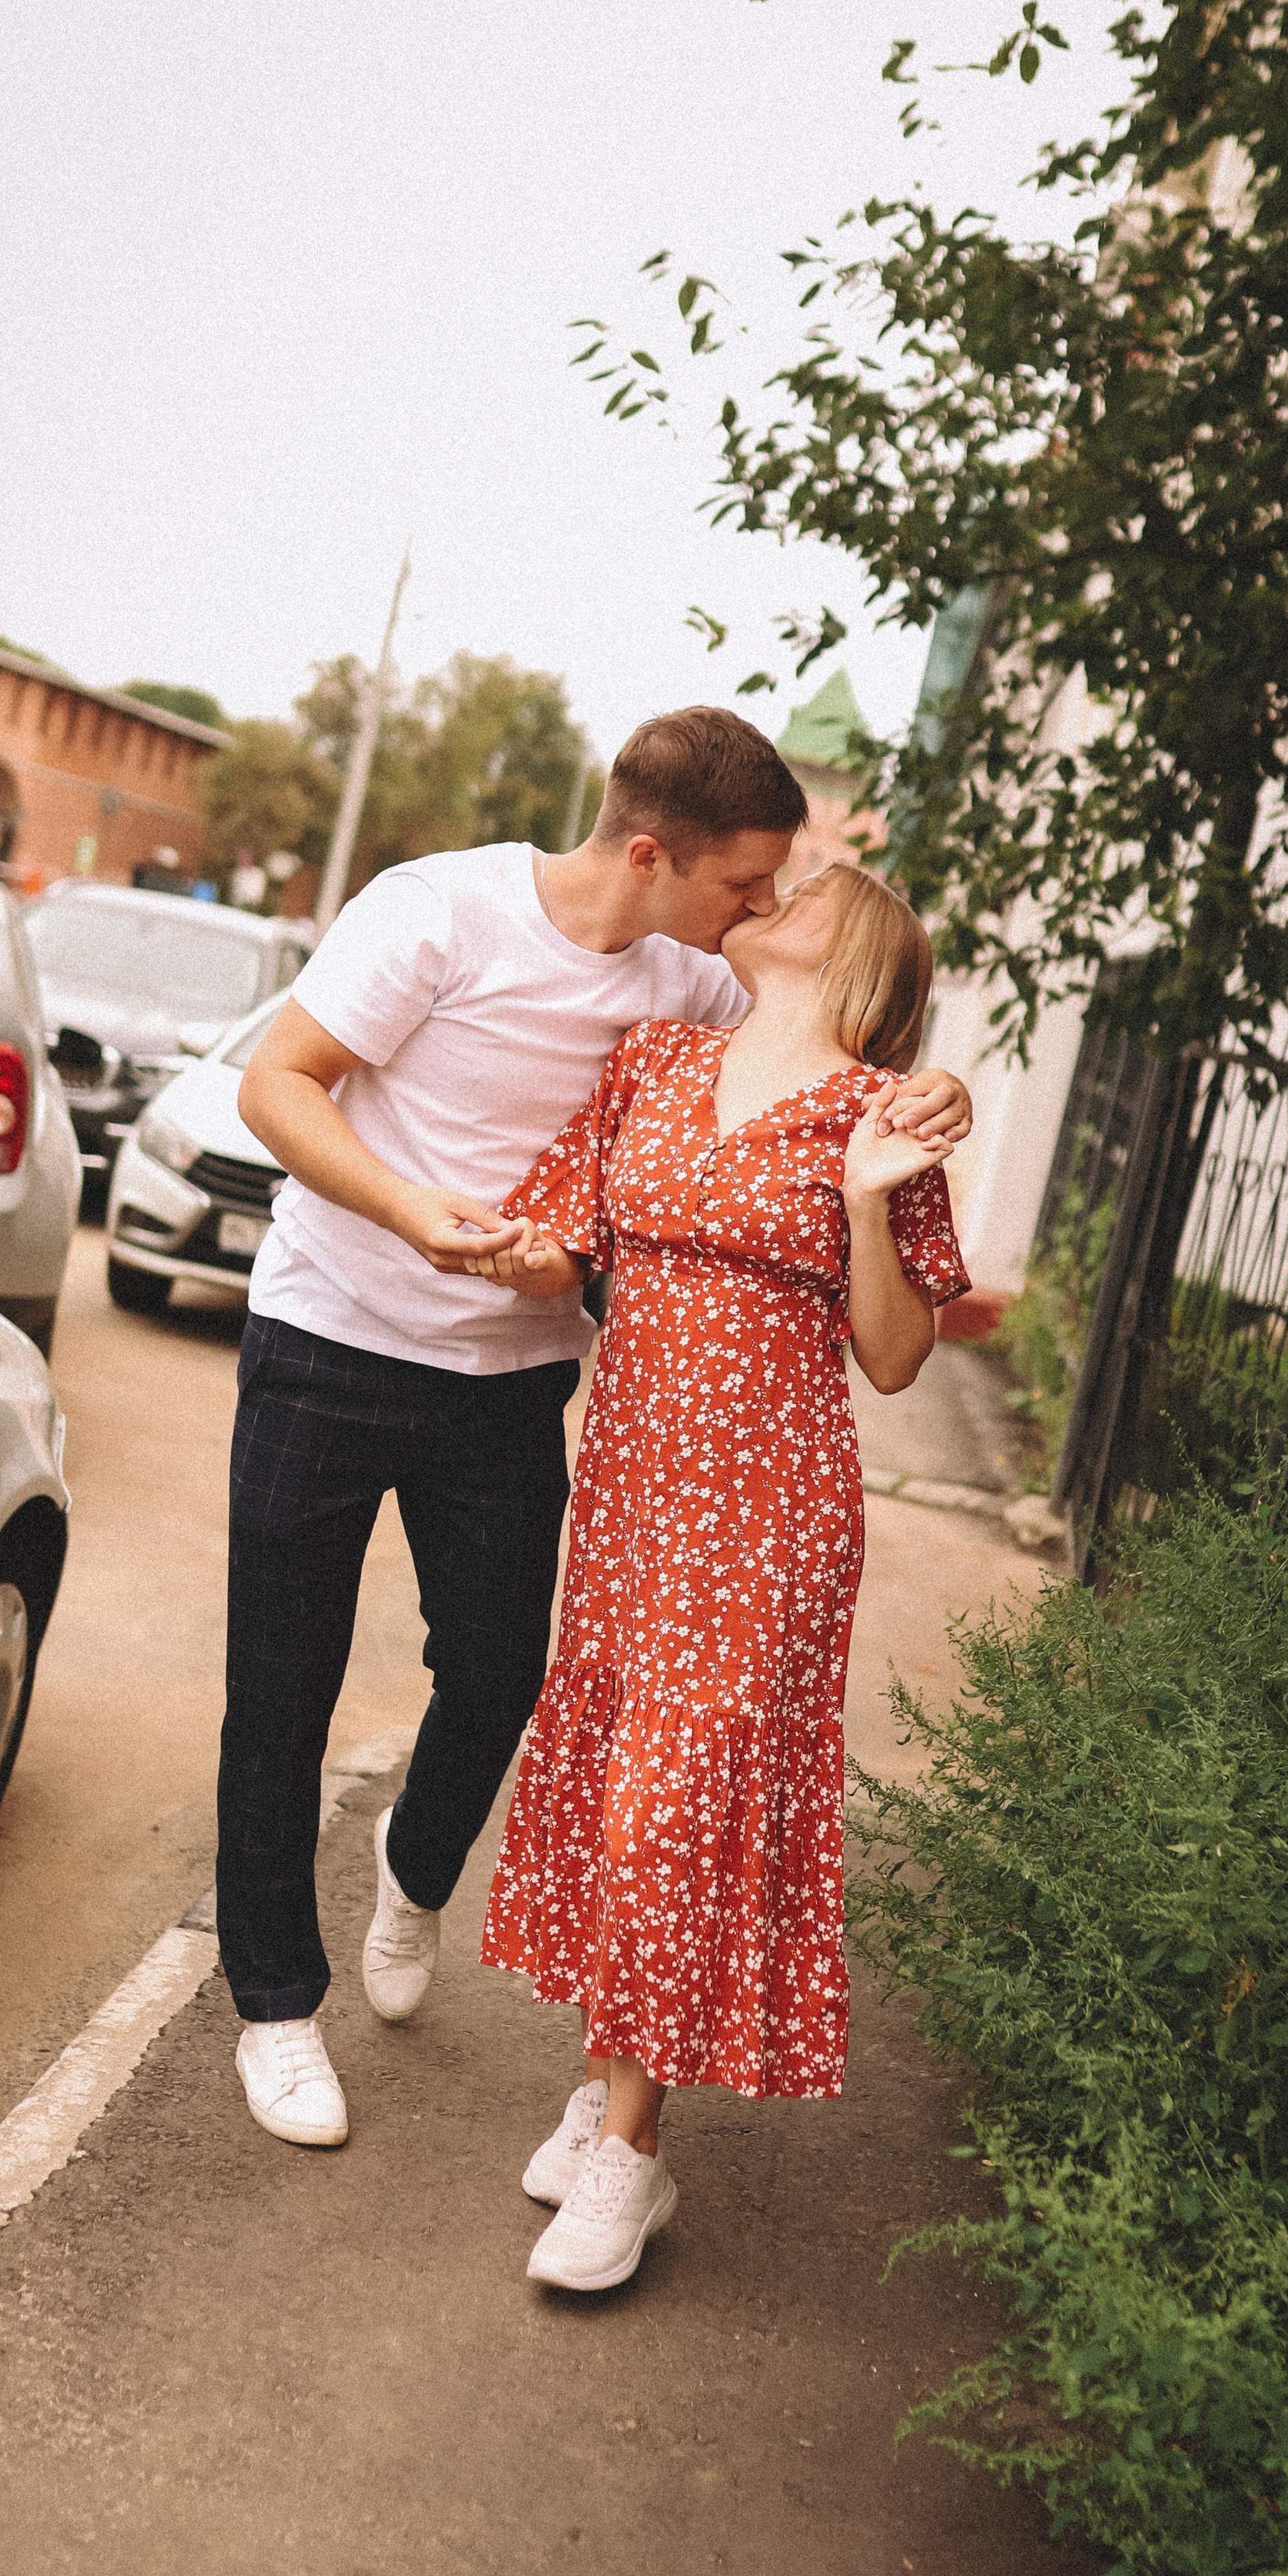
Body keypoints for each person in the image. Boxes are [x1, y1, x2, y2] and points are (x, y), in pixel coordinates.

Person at [222, 708, 972, 2148]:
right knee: (281, 1690)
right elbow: (276, 1083)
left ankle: (418, 1862)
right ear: (651, 855)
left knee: (502, 1673)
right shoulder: (436, 913)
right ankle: (275, 2008)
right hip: (327, 1337)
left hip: (509, 1383)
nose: (758, 910)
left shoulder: (696, 980)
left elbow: (818, 1064)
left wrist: (921, 1085)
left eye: (775, 895)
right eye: (744, 884)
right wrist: (407, 1211)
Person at [473, 860, 969, 2292]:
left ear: (862, 949)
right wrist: (484, 1243)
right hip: (631, 1501)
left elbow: (892, 1356)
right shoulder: (658, 1057)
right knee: (623, 1781)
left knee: (673, 1804)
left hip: (766, 1516)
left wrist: (874, 1202)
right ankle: (607, 2082)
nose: (774, 889)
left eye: (808, 887)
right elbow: (562, 1241)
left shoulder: (881, 1118)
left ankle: (631, 2152)